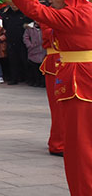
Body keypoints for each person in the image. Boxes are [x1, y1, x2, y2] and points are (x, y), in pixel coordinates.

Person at [0, 0, 92, 196]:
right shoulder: (84, 11)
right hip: (82, 74)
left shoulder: (73, 15)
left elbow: (35, 9)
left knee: (79, 147)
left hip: (79, 78)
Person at [40, 24, 64, 156]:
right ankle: (58, 143)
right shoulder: (51, 13)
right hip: (57, 63)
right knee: (59, 107)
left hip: (80, 65)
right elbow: (49, 34)